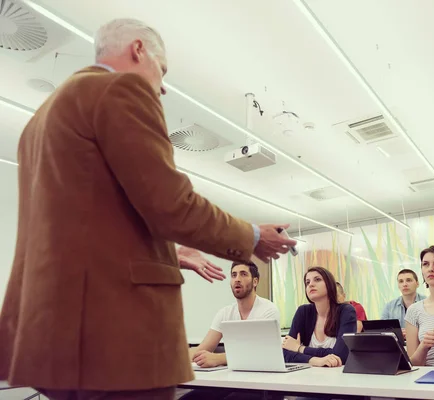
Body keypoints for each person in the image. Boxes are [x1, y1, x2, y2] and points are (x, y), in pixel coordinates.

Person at [0, 18, 296, 400]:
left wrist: (170, 252)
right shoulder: (120, 88)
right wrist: (252, 236)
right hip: (116, 335)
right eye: (163, 70)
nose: (163, 86)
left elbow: (86, 226)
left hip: (52, 334)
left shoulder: (40, 121)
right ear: (138, 50)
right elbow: (171, 202)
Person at [189, 261, 279, 367]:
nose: (237, 279)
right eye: (234, 275)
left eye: (243, 274)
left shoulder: (268, 310)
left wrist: (219, 358)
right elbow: (202, 349)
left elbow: (263, 354)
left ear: (255, 281)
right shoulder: (225, 313)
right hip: (232, 377)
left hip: (263, 376)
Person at [282, 267, 357, 367]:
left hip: (339, 377)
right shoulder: (303, 312)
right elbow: (285, 353)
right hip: (307, 376)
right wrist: (315, 361)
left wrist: (300, 349)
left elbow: (341, 356)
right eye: (307, 282)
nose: (311, 284)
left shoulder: (346, 311)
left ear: (329, 284)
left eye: (317, 279)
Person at [381, 268, 426, 336]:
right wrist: (396, 333)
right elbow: (382, 330)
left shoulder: (427, 303)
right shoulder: (389, 306)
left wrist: (413, 332)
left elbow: (433, 327)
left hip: (422, 344)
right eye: (401, 281)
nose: (404, 284)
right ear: (398, 285)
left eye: (409, 280)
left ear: (417, 283)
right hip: (397, 345)